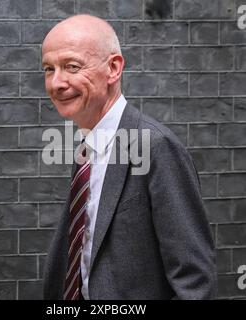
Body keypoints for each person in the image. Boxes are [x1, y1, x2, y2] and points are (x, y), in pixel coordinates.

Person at [42, 14, 216, 300]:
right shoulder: (87, 145)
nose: (56, 82)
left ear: (113, 68)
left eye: (71, 66)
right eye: (49, 69)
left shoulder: (156, 146)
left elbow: (194, 280)